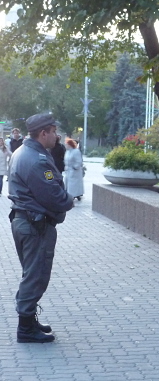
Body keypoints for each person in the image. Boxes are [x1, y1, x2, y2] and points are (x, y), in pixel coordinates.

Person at [8, 113, 74, 343]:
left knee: (32, 273)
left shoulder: (23, 152)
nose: (57, 136)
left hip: (26, 221)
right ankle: (25, 329)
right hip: (35, 225)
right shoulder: (36, 159)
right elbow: (54, 196)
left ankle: (29, 321)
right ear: (43, 133)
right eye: (54, 131)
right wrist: (69, 200)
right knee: (35, 276)